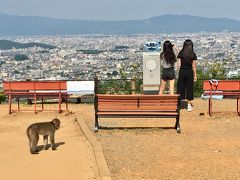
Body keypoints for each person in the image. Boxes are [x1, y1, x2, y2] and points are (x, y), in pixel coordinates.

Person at [176, 39, 197, 112]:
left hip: (182, 71)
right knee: (189, 88)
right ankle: (189, 105)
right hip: (189, 72)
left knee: (180, 88)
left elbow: (178, 65)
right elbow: (194, 66)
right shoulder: (192, 54)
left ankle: (178, 104)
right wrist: (195, 75)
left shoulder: (181, 53)